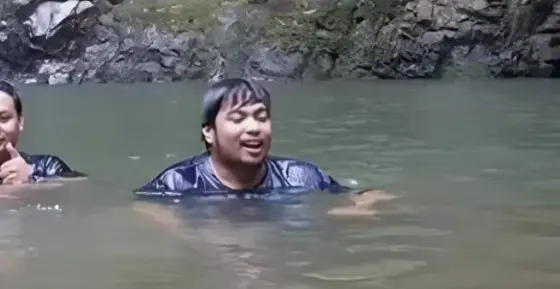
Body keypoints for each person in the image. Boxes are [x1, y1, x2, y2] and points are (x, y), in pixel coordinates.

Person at [133, 78, 394, 215]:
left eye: (261, 117)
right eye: (238, 119)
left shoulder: (299, 176)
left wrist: (353, 211)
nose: (254, 127)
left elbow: (373, 194)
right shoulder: (179, 182)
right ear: (209, 132)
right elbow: (141, 206)